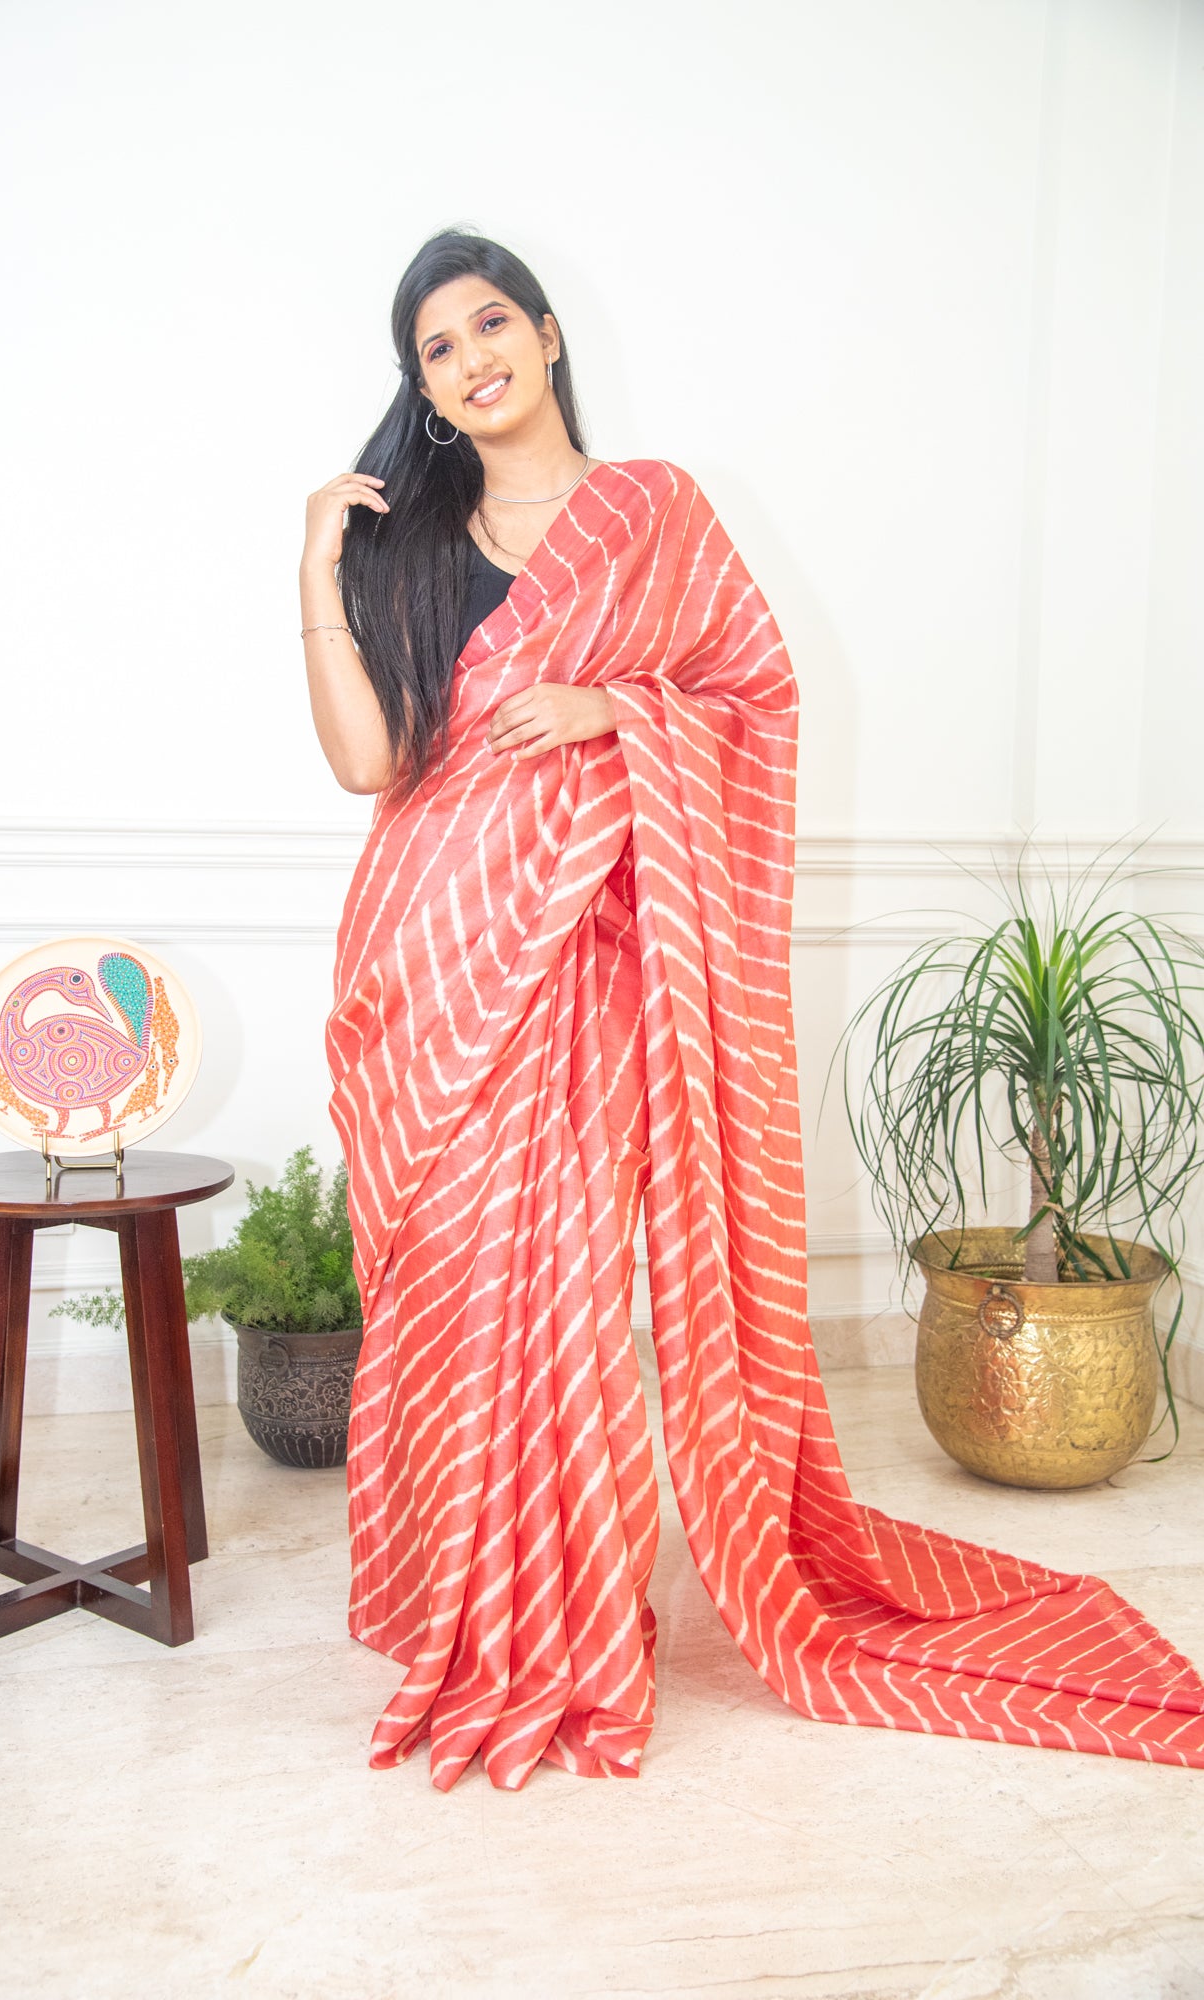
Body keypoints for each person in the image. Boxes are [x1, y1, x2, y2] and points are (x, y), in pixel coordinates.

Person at [301, 229, 1204, 1792]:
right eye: (437, 349)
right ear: (425, 389)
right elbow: (371, 765)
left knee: (562, 1305)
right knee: (447, 1300)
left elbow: (756, 700)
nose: (471, 360)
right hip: (430, 965)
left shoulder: (654, 515)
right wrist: (316, 562)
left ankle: (564, 1628)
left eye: (490, 323)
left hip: (589, 974)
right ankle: (460, 1604)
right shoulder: (409, 547)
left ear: (549, 334)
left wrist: (613, 707)